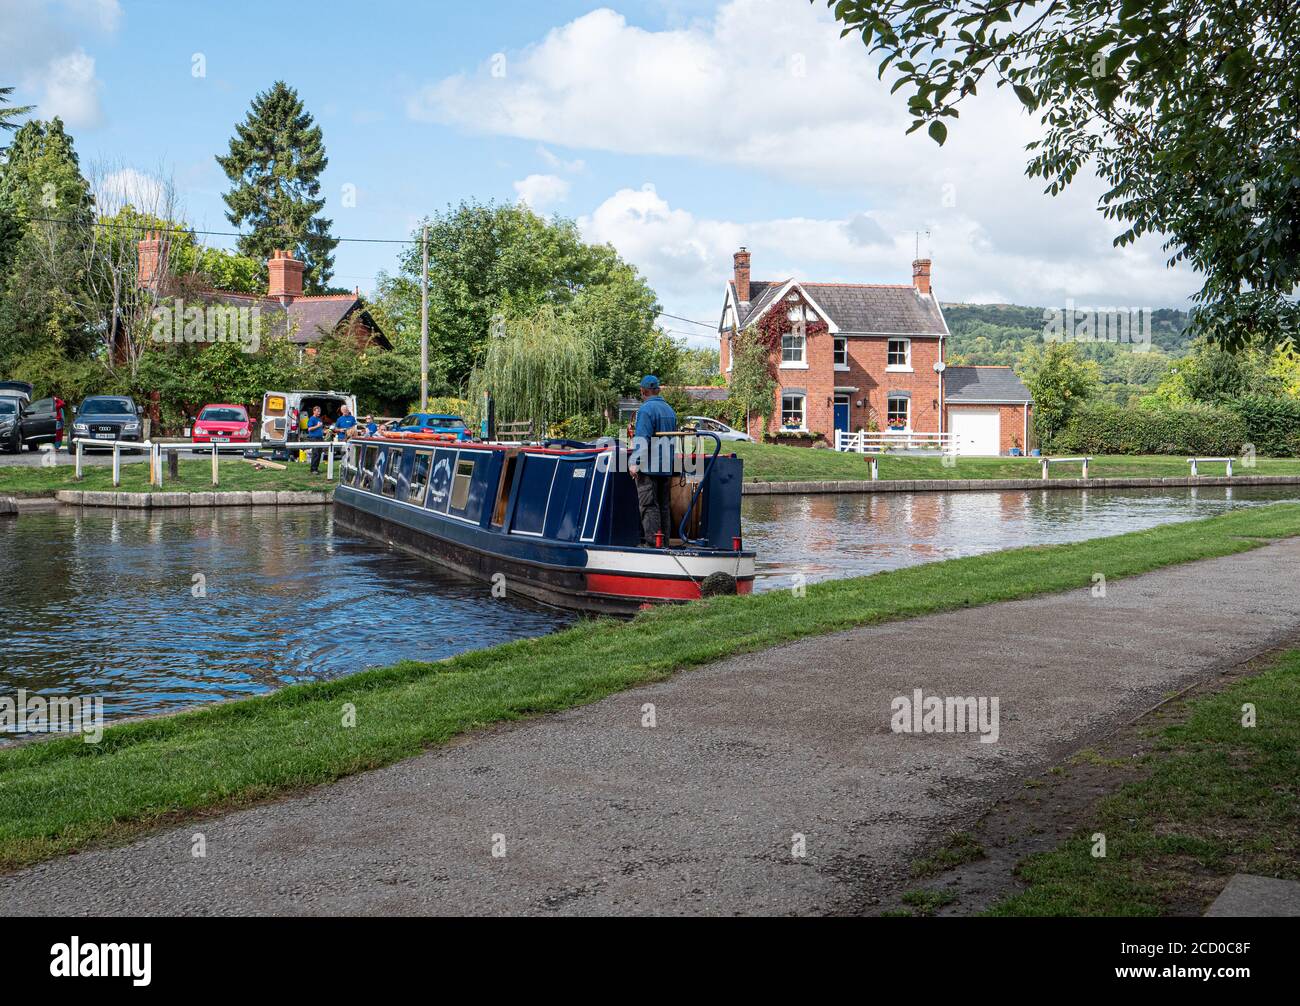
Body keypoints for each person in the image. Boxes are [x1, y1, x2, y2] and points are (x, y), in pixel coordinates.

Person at [628, 375, 677, 546]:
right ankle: (664, 543)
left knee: (649, 505)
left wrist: (634, 462)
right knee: (664, 506)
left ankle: (652, 544)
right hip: (666, 466)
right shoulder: (670, 410)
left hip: (649, 467)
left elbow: (642, 438)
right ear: (657, 389)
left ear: (643, 391)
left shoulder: (646, 410)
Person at [306, 405, 325, 472]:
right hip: (314, 438)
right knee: (315, 453)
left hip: (320, 438)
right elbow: (309, 429)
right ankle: (313, 469)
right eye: (317, 411)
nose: (319, 413)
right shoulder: (312, 419)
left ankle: (316, 468)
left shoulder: (319, 419)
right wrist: (317, 426)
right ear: (314, 411)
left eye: (319, 411)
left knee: (319, 453)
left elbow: (320, 428)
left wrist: (324, 431)